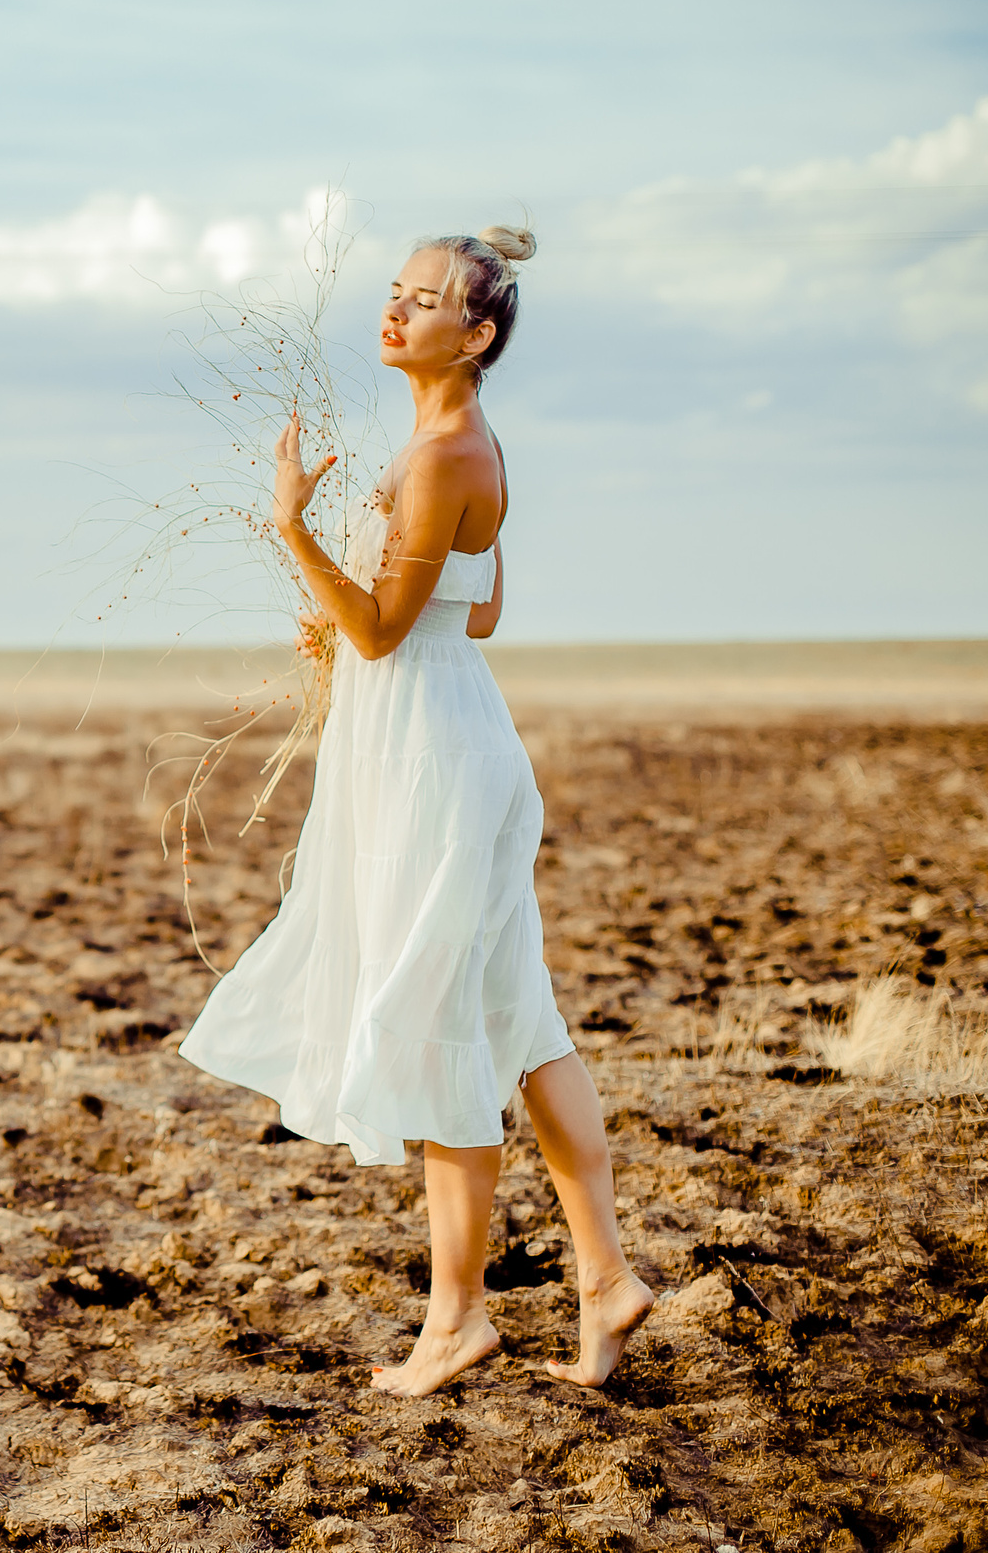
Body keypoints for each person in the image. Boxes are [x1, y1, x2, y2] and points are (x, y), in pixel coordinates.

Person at [178, 227, 654, 1396]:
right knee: (515, 1019)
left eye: (426, 300)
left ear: (476, 334)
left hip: (430, 760)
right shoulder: (455, 444)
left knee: (442, 1025)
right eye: (392, 295)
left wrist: (293, 529)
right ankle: (601, 1278)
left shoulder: (445, 454)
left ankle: (456, 1322)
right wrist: (358, 616)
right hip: (443, 731)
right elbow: (471, 617)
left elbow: (386, 629)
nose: (395, 313)